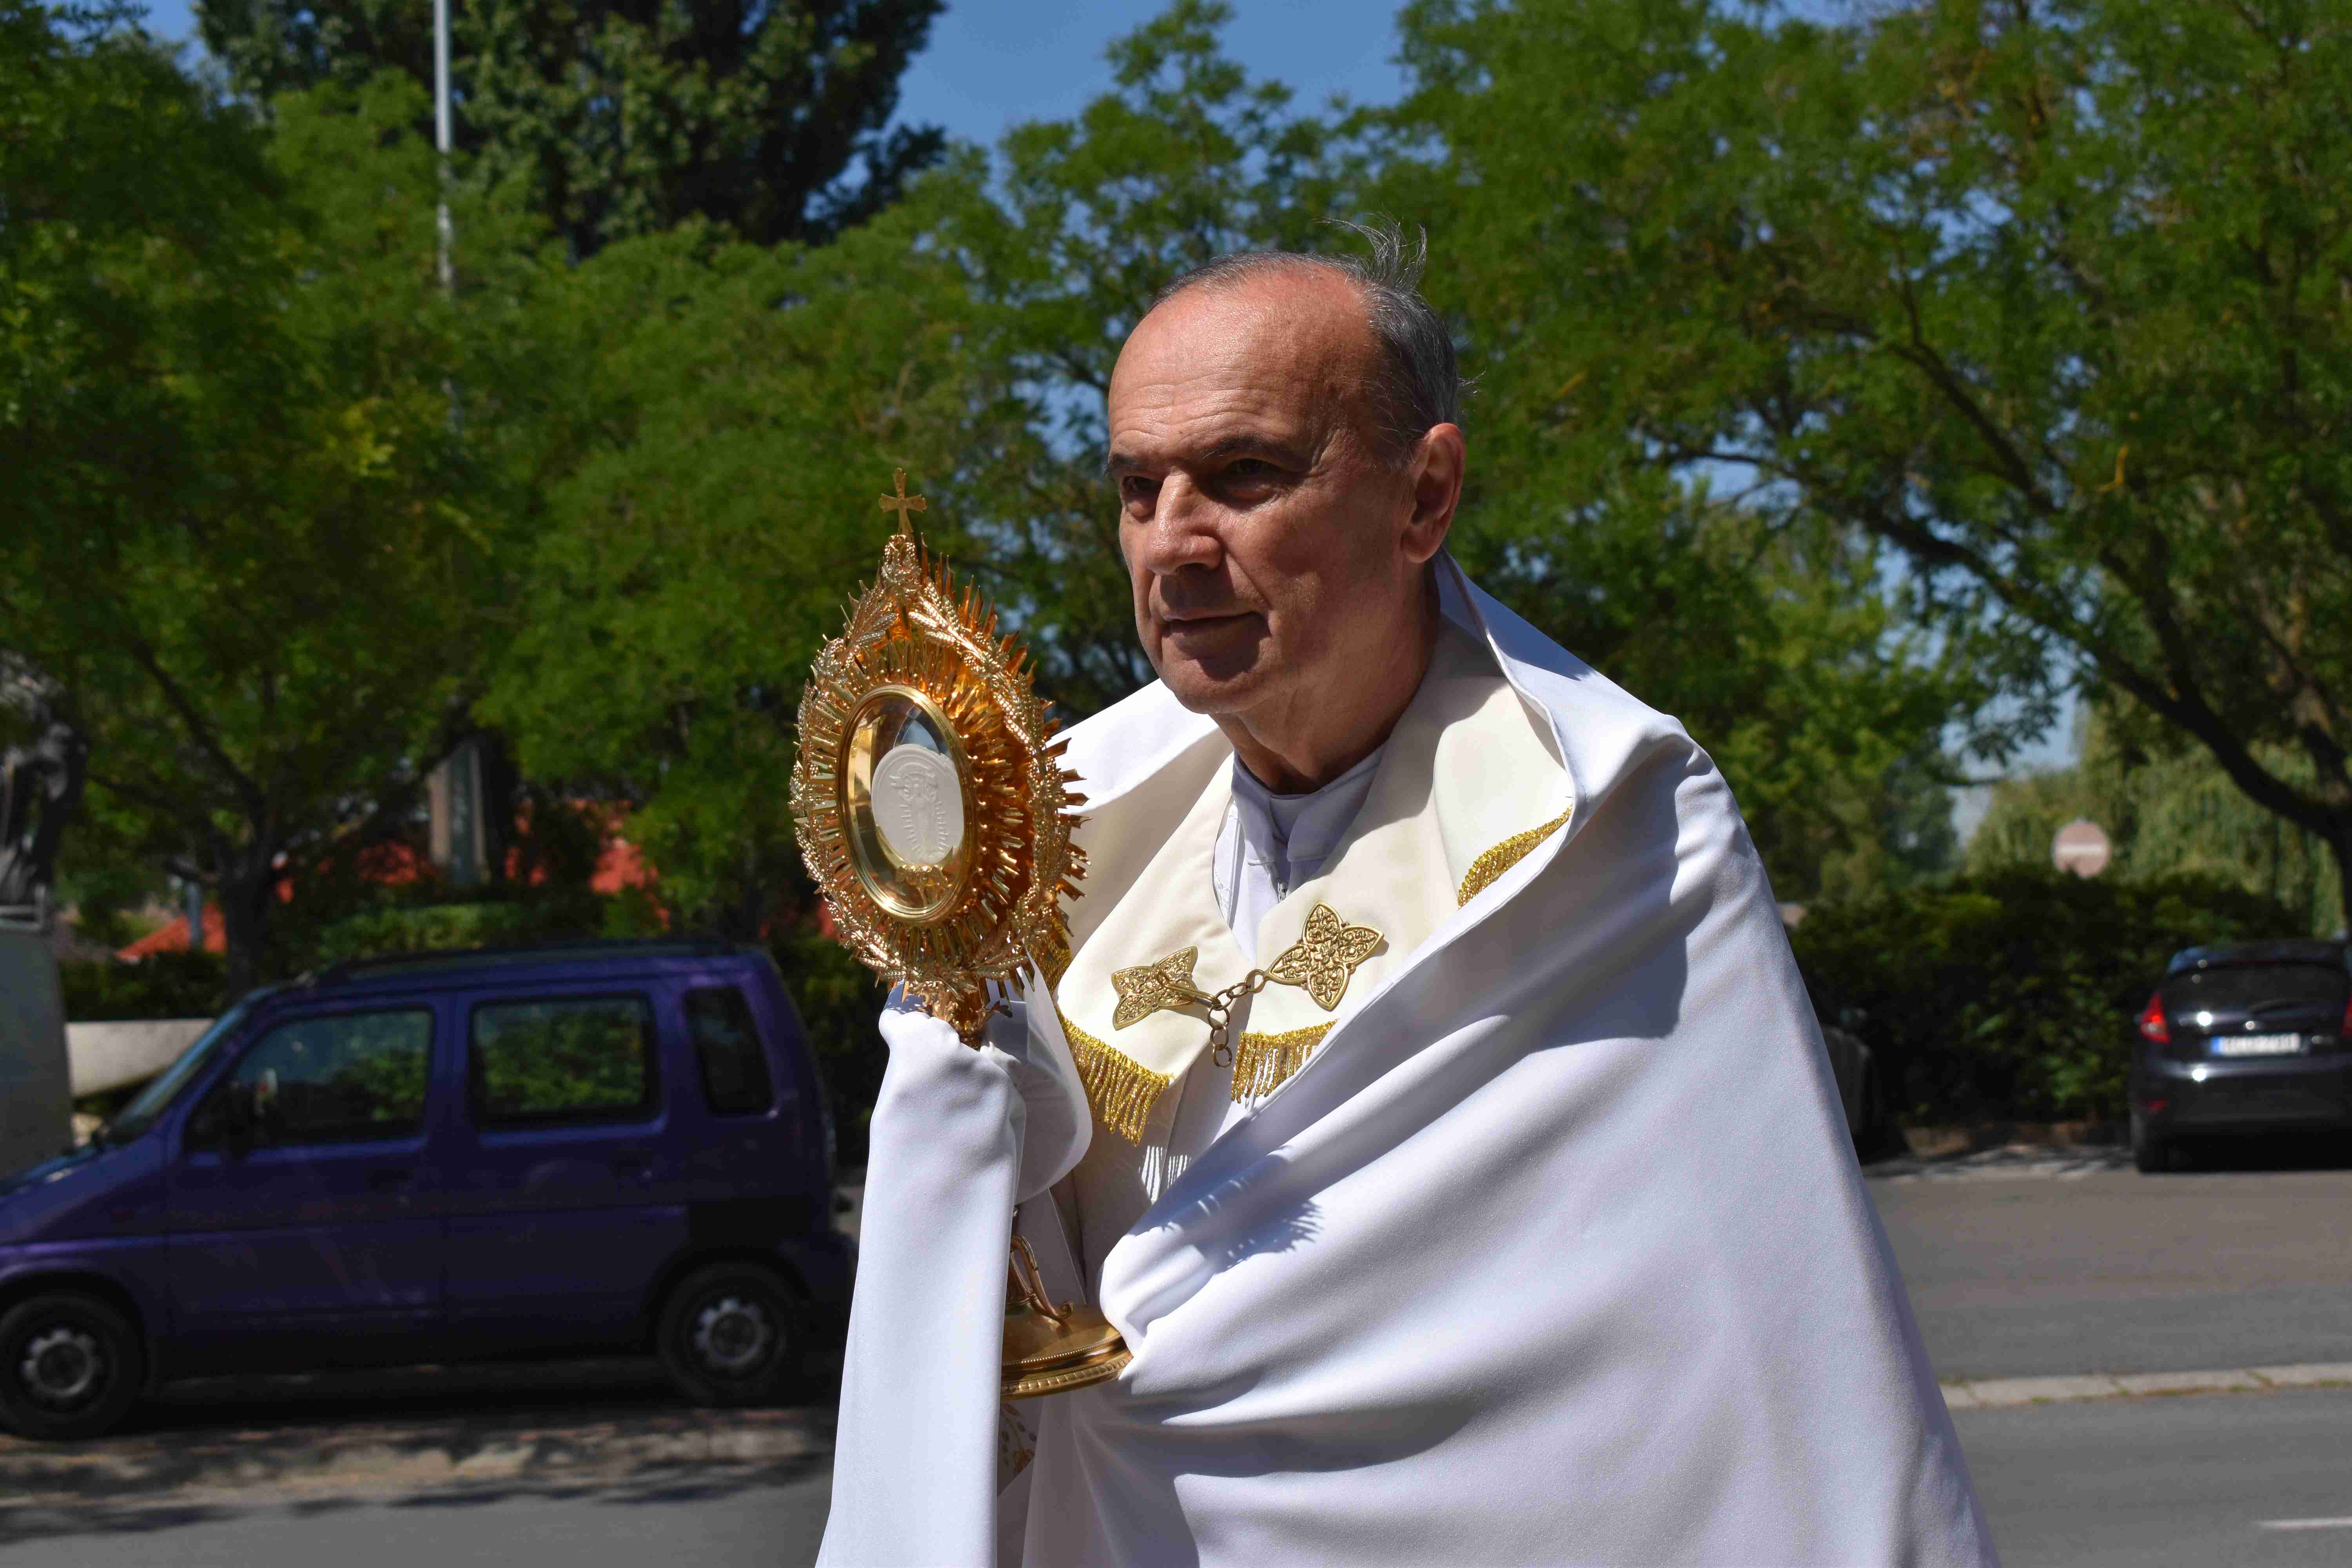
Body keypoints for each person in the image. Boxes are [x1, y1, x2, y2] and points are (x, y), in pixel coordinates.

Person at [817, 223, 1994, 1567]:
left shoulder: (1610, 825)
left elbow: (1747, 1349)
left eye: (1244, 475)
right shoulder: (1051, 834)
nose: (1174, 545)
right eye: (1139, 489)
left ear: (1424, 498)